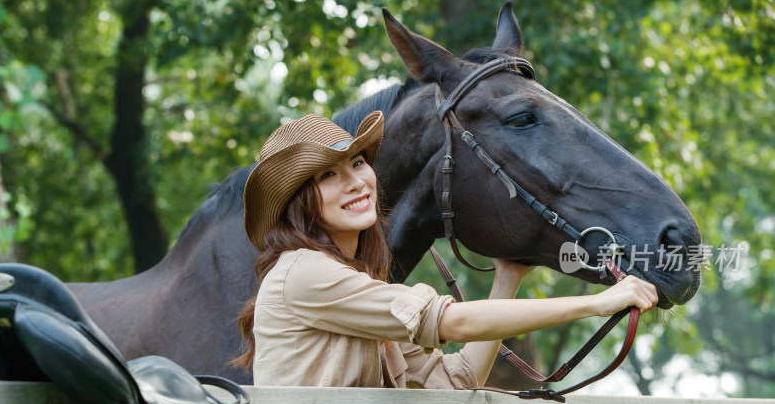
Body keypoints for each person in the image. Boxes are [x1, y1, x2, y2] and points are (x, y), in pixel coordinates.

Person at [234, 111, 658, 389]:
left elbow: (459, 379)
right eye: (328, 174)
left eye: (358, 163)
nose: (356, 182)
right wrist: (599, 303)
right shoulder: (303, 273)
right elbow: (454, 323)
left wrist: (507, 278)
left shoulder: (358, 288)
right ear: (300, 202)